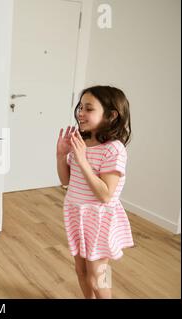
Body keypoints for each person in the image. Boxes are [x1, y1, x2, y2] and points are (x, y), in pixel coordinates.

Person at [56, 86, 134, 299]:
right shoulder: (82, 142)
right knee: (81, 271)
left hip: (99, 220)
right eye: (80, 107)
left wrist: (82, 160)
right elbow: (66, 181)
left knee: (98, 276)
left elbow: (106, 194)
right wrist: (62, 156)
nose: (80, 112)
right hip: (78, 216)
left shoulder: (114, 149)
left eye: (88, 108)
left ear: (111, 115)